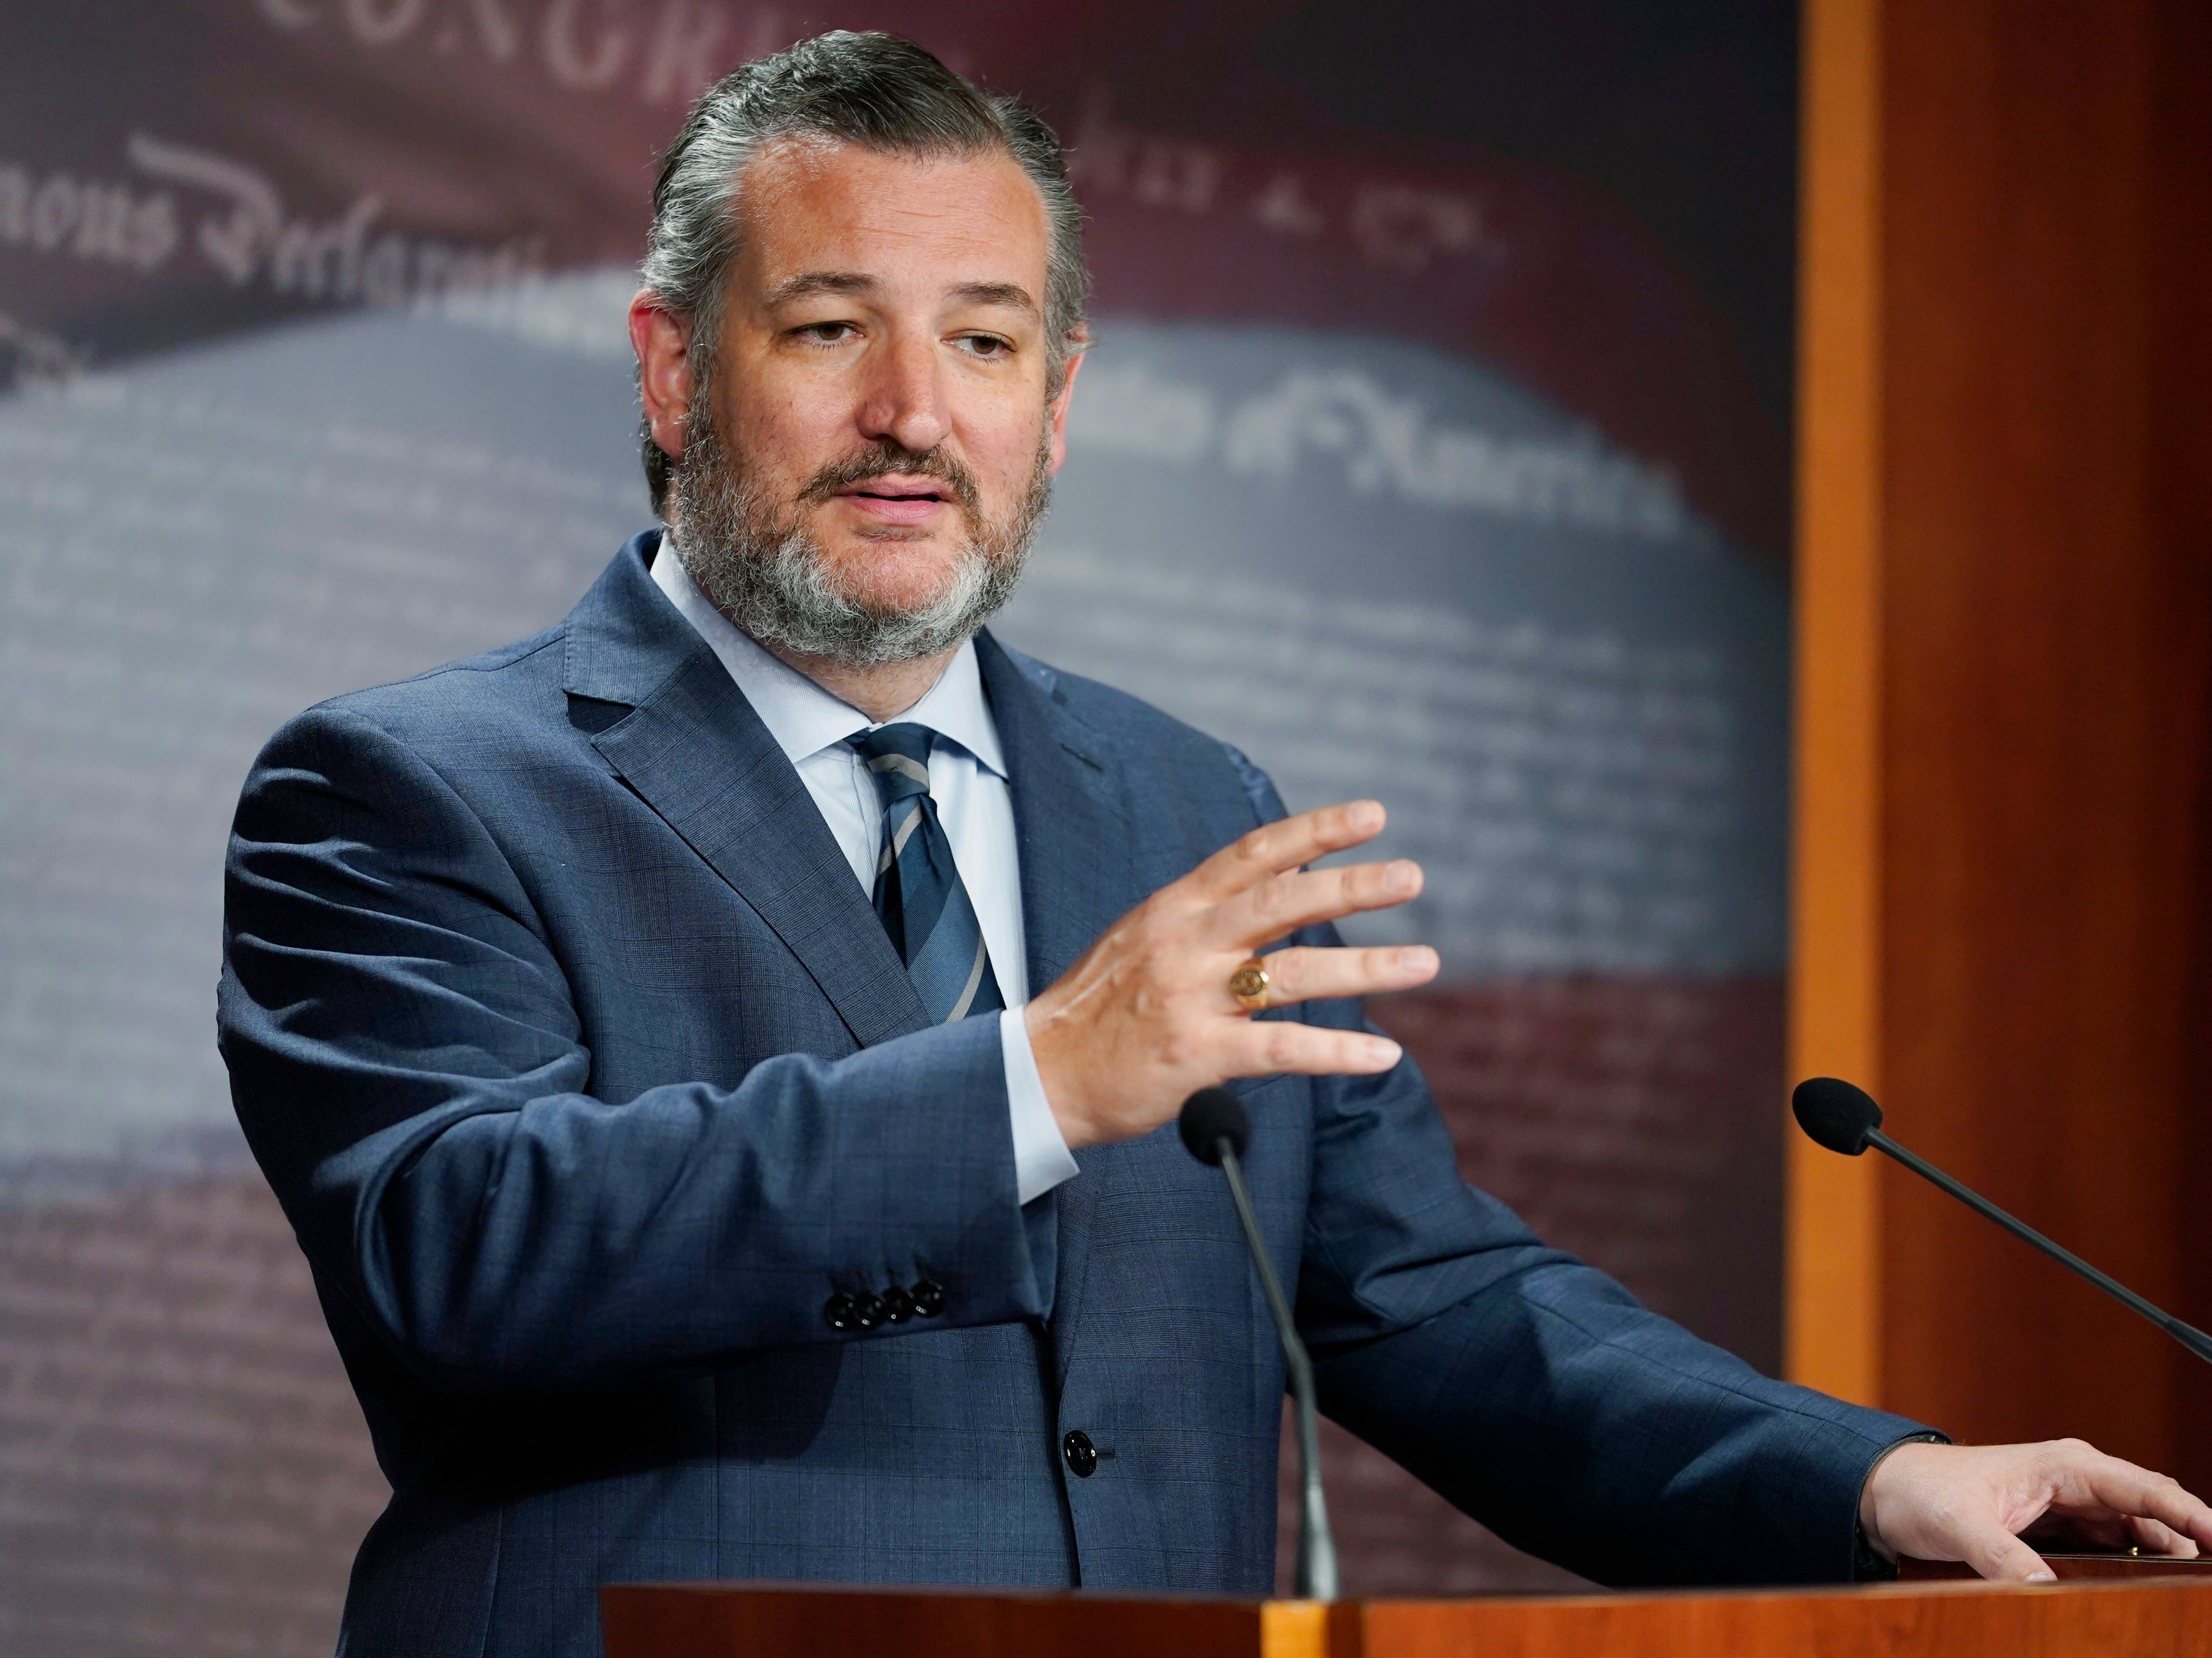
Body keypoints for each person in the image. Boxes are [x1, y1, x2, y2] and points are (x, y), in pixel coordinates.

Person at [217, 32, 2212, 1658]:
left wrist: (1865, 1477)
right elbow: (463, 1248)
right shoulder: (415, 785)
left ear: (1057, 402)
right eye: (831, 329)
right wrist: (1038, 1074)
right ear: (672, 368)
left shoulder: (1181, 806)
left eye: (985, 343)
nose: (914, 412)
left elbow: (1425, 1296)